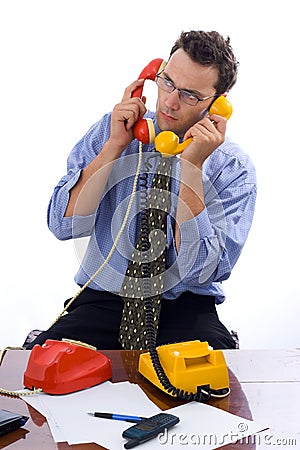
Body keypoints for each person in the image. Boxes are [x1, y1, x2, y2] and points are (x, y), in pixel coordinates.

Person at [25, 30, 256, 351]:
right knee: (43, 369)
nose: (171, 101)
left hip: (186, 306)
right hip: (103, 299)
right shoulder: (113, 131)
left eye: (190, 95)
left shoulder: (234, 168)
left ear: (219, 105)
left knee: (210, 381)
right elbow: (63, 226)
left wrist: (191, 170)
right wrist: (113, 148)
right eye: (168, 82)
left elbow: (203, 271)